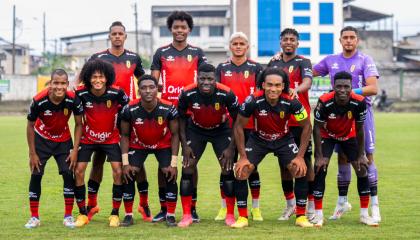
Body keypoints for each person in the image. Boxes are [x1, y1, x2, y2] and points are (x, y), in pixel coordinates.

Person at [82, 21, 150, 223]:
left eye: (121, 33)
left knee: (134, 160)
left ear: (125, 36)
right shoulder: (98, 57)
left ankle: (143, 204)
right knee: (98, 160)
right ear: (109, 36)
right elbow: (83, 78)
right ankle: (92, 204)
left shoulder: (134, 58)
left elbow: (145, 81)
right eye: (114, 34)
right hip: (104, 115)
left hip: (126, 116)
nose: (117, 36)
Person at [313, 26, 380, 222]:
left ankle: (374, 205)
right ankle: (342, 202)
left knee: (365, 158)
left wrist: (348, 95)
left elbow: (373, 88)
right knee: (341, 158)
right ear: (340, 40)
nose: (349, 41)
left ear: (357, 40)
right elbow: (308, 71)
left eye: (352, 37)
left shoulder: (365, 59)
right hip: (336, 113)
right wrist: (281, 59)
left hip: (360, 112)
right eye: (345, 38)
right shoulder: (331, 60)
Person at [234, 67, 313, 228]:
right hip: (258, 140)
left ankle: (301, 216)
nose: (273, 89)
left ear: (283, 86)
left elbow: (307, 126)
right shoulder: (252, 100)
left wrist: (300, 157)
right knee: (242, 170)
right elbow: (238, 127)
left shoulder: (291, 101)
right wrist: (242, 157)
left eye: (277, 85)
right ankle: (242, 217)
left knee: (299, 169)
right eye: (269, 84)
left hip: (283, 139)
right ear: (263, 85)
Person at [150, 10, 207, 223]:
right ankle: (165, 207)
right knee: (164, 161)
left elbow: (205, 80)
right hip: (166, 114)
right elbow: (153, 82)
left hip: (191, 114)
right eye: (176, 27)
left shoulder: (198, 53)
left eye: (183, 27)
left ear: (189, 30)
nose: (180, 31)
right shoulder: (161, 52)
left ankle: (191, 208)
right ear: (170, 29)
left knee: (190, 161)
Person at [177, 63, 239, 227]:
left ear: (215, 79)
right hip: (196, 130)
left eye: (210, 79)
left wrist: (231, 148)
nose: (206, 82)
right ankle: (186, 215)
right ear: (197, 78)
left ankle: (230, 215)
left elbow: (238, 121)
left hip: (221, 131)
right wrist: (185, 145)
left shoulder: (226, 93)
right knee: (187, 168)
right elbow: (181, 119)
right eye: (202, 78)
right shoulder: (187, 92)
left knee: (227, 168)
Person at [73, 59, 129, 227]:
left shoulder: (117, 93)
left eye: (101, 77)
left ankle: (115, 213)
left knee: (118, 171)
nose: (98, 80)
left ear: (108, 78)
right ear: (88, 78)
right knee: (79, 171)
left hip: (111, 138)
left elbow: (129, 109)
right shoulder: (80, 93)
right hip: (88, 138)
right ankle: (82, 213)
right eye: (94, 77)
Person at [215, 32, 264, 222]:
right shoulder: (222, 67)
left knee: (251, 167)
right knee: (226, 167)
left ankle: (256, 208)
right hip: (227, 125)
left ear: (247, 46)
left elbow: (262, 96)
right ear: (230, 46)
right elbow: (216, 93)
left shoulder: (256, 68)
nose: (238, 46)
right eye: (234, 43)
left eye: (241, 43)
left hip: (250, 125)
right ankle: (224, 208)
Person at [24, 69, 83, 229]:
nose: (59, 87)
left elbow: (79, 124)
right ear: (50, 84)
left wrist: (75, 150)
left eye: (63, 83)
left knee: (67, 174)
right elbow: (30, 125)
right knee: (36, 174)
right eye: (56, 83)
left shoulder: (73, 100)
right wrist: (32, 153)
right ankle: (34, 217)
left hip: (63, 141)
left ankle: (68, 216)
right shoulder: (39, 100)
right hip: (41, 140)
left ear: (67, 84)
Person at [267, 28, 315, 221]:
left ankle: (310, 206)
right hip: (280, 121)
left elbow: (308, 82)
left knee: (306, 162)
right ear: (280, 42)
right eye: (285, 39)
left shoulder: (303, 61)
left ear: (297, 43)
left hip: (300, 121)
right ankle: (290, 205)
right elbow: (264, 80)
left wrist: (297, 89)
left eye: (292, 39)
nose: (288, 42)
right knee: (284, 165)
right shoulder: (274, 62)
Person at [119, 75, 180, 227]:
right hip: (138, 144)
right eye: (143, 88)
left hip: (162, 144)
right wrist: (125, 163)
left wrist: (174, 163)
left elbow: (175, 135)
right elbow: (125, 135)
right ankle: (128, 215)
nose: (148, 91)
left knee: (168, 171)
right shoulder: (129, 108)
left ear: (157, 89)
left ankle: (169, 214)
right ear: (138, 91)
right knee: (129, 172)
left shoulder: (168, 107)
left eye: (151, 87)